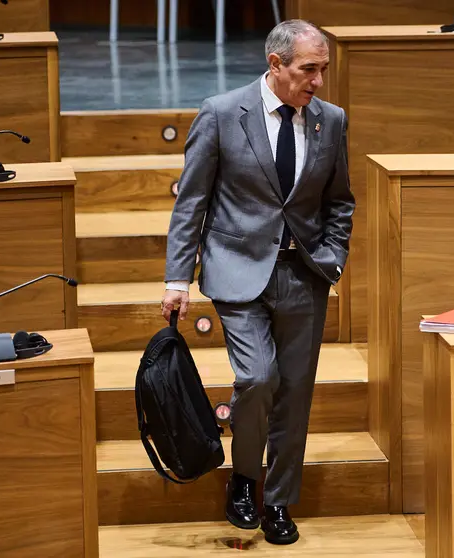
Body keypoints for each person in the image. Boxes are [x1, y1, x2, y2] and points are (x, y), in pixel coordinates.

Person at [161, 20, 354, 545]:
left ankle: (279, 501)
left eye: (323, 70)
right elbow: (192, 202)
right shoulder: (223, 113)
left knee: (295, 395)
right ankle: (245, 477)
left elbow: (339, 201)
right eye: (307, 69)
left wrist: (333, 256)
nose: (317, 81)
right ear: (276, 64)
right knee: (258, 379)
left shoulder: (330, 121)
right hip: (237, 269)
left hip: (304, 274)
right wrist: (177, 278)